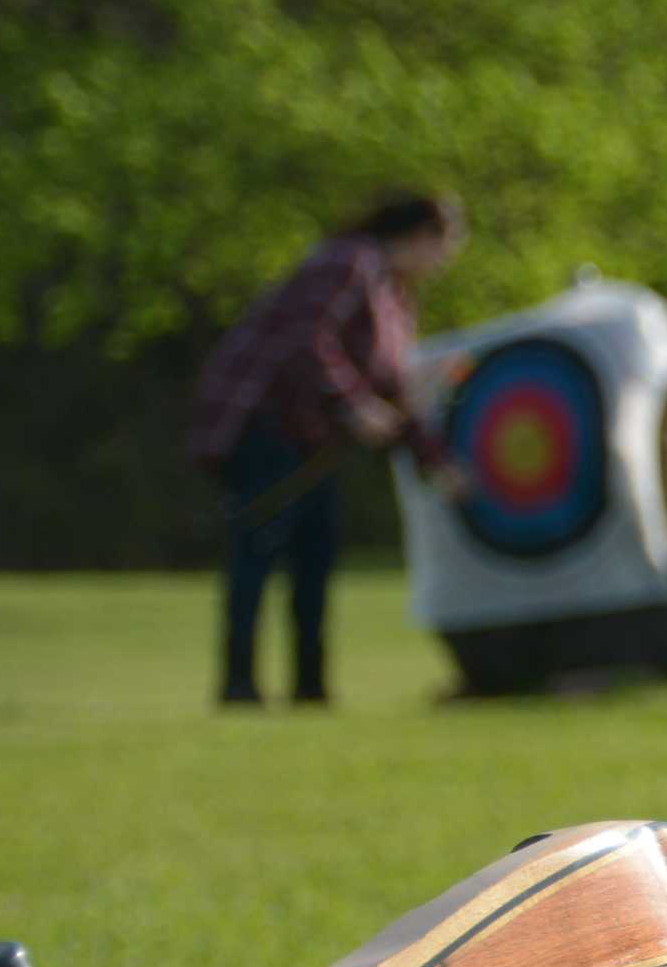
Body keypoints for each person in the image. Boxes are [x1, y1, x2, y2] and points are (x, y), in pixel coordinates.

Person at [186, 192, 471, 708]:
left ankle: (310, 688)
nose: (445, 261)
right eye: (444, 245)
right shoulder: (348, 262)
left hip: (315, 443)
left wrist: (436, 463)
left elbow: (394, 391)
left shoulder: (396, 297)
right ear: (419, 236)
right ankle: (238, 686)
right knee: (256, 555)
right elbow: (306, 339)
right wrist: (352, 405)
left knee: (314, 562)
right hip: (265, 428)